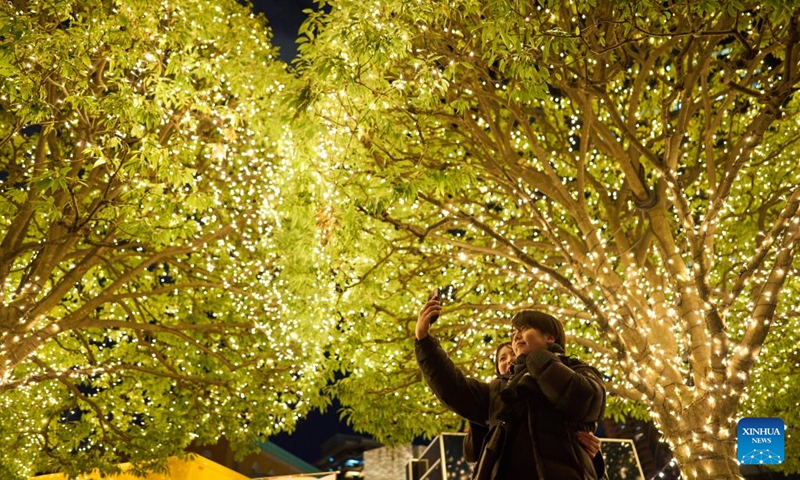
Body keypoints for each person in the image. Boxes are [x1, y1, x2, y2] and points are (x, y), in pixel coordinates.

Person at [416, 299, 606, 480]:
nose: (516, 336)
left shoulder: (579, 370)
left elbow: (587, 401)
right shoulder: (498, 390)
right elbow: (455, 388)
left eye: (523, 329)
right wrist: (424, 341)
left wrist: (537, 358)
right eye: (513, 332)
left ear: (549, 337)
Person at [463, 343, 603, 470]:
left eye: (513, 354)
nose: (509, 360)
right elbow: (472, 453)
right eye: (502, 359)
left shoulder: (550, 387)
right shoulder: (491, 398)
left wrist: (590, 450)